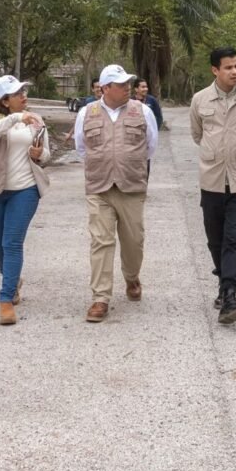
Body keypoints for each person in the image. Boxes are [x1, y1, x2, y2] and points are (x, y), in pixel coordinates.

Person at [74, 63, 159, 322]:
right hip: (99, 188)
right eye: (121, 84)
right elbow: (81, 148)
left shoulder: (142, 111)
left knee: (134, 242)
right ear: (105, 88)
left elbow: (151, 147)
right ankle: (100, 298)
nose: (127, 88)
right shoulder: (87, 112)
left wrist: (127, 164)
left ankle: (132, 277)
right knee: (101, 241)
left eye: (128, 83)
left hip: (131, 187)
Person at [189, 47, 236, 323]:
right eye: (229, 67)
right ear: (215, 70)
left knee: (233, 238)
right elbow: (198, 134)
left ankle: (230, 295)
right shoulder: (199, 100)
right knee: (215, 240)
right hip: (212, 180)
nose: (235, 71)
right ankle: (224, 283)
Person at [0, 75, 50, 326]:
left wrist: (40, 154)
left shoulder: (37, 121)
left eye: (23, 91)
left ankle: (5, 299)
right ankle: (12, 279)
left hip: (25, 190)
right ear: (5, 101)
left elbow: (46, 154)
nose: (23, 96)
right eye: (17, 93)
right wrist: (17, 118)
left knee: (11, 242)